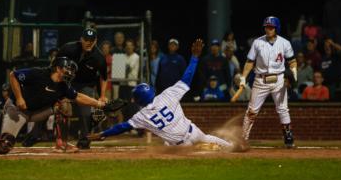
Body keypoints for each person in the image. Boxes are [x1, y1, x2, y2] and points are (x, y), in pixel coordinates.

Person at [87, 39, 232, 149]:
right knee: (206, 139)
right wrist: (194, 58)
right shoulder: (167, 95)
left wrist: (102, 134)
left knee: (168, 144)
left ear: (139, 101)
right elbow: (187, 78)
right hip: (194, 132)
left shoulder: (141, 116)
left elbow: (122, 127)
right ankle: (231, 147)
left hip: (180, 147)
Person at [0, 57, 108, 154]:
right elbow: (13, 75)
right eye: (68, 69)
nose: (70, 73)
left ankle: (62, 143)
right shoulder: (39, 74)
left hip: (38, 112)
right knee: (4, 145)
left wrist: (99, 104)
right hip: (18, 110)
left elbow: (79, 97)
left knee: (65, 105)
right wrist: (19, 97)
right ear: (58, 68)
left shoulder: (63, 86)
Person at [237, 16, 297, 151]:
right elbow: (249, 62)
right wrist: (243, 77)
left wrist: (294, 71)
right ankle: (243, 138)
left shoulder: (285, 43)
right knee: (252, 111)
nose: (268, 29)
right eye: (267, 27)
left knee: (283, 109)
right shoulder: (257, 42)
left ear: (277, 28)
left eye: (271, 27)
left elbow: (292, 60)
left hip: (278, 79)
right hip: (260, 80)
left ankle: (288, 138)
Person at [56, 28, 108, 149]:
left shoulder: (99, 57)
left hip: (86, 85)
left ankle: (84, 141)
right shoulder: (68, 48)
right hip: (67, 83)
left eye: (92, 40)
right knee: (61, 108)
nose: (89, 42)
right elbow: (55, 63)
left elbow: (104, 77)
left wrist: (102, 95)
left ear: (96, 41)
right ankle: (60, 140)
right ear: (81, 40)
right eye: (86, 40)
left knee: (85, 113)